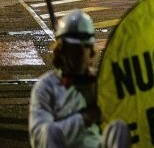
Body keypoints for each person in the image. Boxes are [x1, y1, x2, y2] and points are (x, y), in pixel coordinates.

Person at [29, 9, 131, 148]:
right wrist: (83, 118)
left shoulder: (100, 83)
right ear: (62, 50)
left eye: (83, 48)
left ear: (90, 50)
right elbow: (40, 138)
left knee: (119, 128)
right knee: (48, 130)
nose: (78, 55)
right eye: (73, 49)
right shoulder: (46, 86)